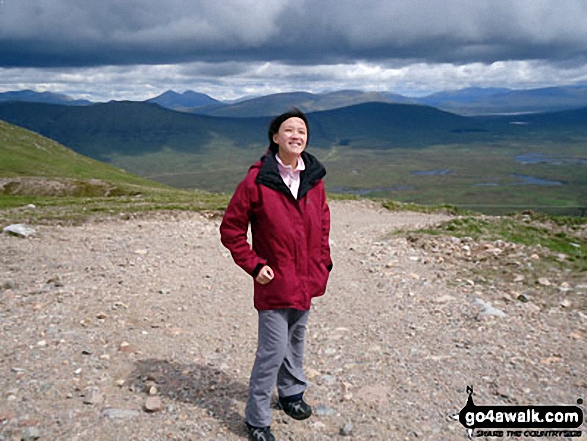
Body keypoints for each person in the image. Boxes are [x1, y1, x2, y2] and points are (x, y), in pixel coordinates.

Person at [219, 108, 333, 441]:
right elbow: (231, 230)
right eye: (288, 130)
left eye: (302, 130)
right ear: (275, 137)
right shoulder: (256, 180)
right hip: (273, 281)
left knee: (296, 341)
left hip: (306, 279)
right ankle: (256, 419)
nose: (296, 135)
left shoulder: (314, 179)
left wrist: (323, 263)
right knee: (272, 350)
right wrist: (254, 265)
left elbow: (323, 225)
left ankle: (291, 394)